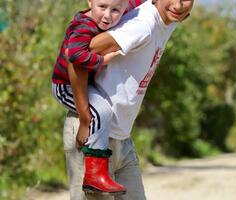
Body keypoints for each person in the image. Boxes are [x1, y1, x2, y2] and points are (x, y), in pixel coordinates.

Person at [63, 0, 194, 199]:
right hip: (93, 135)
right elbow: (76, 57)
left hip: (122, 139)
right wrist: (84, 117)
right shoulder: (143, 25)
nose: (178, 5)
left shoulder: (170, 19)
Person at [51, 0, 144, 195]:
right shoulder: (83, 26)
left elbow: (136, 2)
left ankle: (97, 170)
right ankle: (94, 172)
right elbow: (74, 55)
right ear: (90, 2)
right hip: (64, 86)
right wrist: (101, 60)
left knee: (103, 107)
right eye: (102, 7)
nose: (108, 16)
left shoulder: (121, 8)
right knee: (101, 111)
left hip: (87, 84)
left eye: (116, 10)